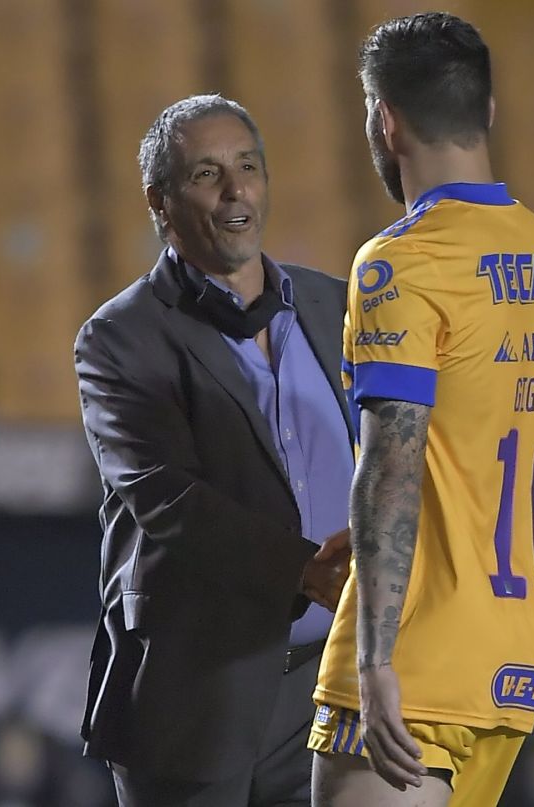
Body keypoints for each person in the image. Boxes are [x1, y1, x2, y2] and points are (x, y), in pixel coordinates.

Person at [308, 13, 534, 806]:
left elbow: (394, 463)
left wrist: (373, 657)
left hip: (416, 657)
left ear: (385, 120)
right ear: (488, 113)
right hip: (515, 662)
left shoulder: (404, 262)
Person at [74, 94, 354, 807]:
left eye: (248, 167)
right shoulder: (119, 338)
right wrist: (304, 570)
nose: (236, 191)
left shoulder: (339, 305)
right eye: (206, 173)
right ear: (159, 200)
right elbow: (166, 495)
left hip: (331, 688)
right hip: (194, 693)